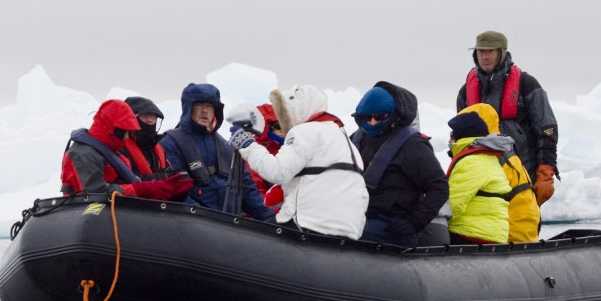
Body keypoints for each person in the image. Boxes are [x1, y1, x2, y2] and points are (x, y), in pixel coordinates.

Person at [228, 84, 368, 239]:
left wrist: (247, 145)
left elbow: (277, 172)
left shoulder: (304, 131)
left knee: (250, 237)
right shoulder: (347, 143)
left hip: (308, 224)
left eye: (286, 113)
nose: (285, 121)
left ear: (298, 110)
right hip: (349, 230)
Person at [457, 30, 559, 206]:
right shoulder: (465, 92)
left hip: (523, 174)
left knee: (523, 227)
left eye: (490, 51)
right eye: (481, 52)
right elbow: (460, 138)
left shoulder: (527, 85)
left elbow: (547, 129)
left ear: (501, 53)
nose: (484, 56)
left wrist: (546, 170)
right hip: (482, 178)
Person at [349, 82, 449, 247]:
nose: (373, 123)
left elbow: (439, 187)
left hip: (392, 226)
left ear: (393, 115)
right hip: (357, 217)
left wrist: (414, 223)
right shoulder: (357, 139)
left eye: (379, 117)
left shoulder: (413, 145)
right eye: (367, 118)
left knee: (351, 235)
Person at [159, 83, 274, 220]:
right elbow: (177, 191)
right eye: (199, 105)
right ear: (188, 108)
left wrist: (271, 219)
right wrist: (206, 221)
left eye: (209, 106)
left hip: (228, 227)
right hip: (192, 224)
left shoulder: (227, 147)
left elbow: (247, 189)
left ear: (215, 111)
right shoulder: (170, 143)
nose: (204, 111)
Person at [60, 99, 193, 200]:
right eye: (125, 132)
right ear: (113, 129)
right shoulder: (83, 154)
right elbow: (94, 194)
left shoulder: (114, 153)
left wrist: (162, 186)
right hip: (86, 214)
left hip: (118, 214)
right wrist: (142, 189)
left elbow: (126, 184)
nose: (126, 137)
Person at [459, 103, 540, 243]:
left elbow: (457, 200)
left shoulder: (487, 158)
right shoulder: (505, 155)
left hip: (511, 236)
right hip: (525, 232)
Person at [445, 109, 513, 244]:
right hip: (488, 233)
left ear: (461, 137)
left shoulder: (471, 162)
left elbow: (452, 205)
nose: (449, 140)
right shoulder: (485, 158)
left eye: (452, 135)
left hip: (472, 234)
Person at [122, 96, 173, 180]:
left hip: (160, 192)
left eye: (153, 117)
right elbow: (123, 180)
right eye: (145, 116)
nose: (150, 120)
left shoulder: (158, 149)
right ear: (133, 119)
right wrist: (160, 178)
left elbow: (167, 172)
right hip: (133, 193)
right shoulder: (120, 148)